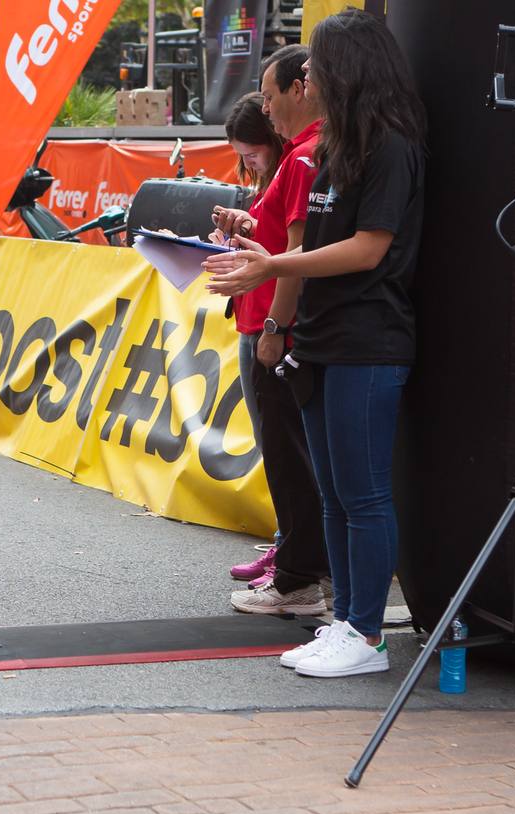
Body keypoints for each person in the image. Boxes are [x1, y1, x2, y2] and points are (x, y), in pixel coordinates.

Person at [204, 10, 426, 678]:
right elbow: (308, 247)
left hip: (368, 340)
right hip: (321, 339)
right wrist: (267, 261)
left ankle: (366, 634)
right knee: (331, 495)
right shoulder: (334, 149)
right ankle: (345, 622)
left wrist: (272, 269)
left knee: (362, 496)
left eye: (317, 66)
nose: (309, 77)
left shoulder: (390, 145)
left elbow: (366, 249)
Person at [210, 88, 335, 618]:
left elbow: (296, 253)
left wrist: (276, 326)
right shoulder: (306, 155)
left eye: (272, 94)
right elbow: (286, 242)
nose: (268, 106)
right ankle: (299, 561)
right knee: (286, 452)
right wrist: (244, 229)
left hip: (279, 323)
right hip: (268, 318)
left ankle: (302, 574)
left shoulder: (308, 157)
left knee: (292, 454)